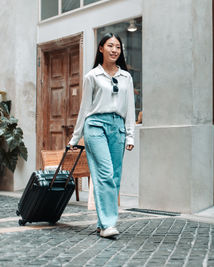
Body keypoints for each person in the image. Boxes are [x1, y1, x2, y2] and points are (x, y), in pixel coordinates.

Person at [69, 33, 135, 238]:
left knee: (114, 177)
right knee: (104, 174)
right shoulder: (92, 76)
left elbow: (130, 108)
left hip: (118, 128)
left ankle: (102, 223)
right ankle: (108, 225)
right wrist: (74, 137)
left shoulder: (126, 77)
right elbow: (84, 108)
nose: (114, 50)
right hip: (95, 125)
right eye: (110, 46)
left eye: (118, 47)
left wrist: (130, 135)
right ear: (101, 49)